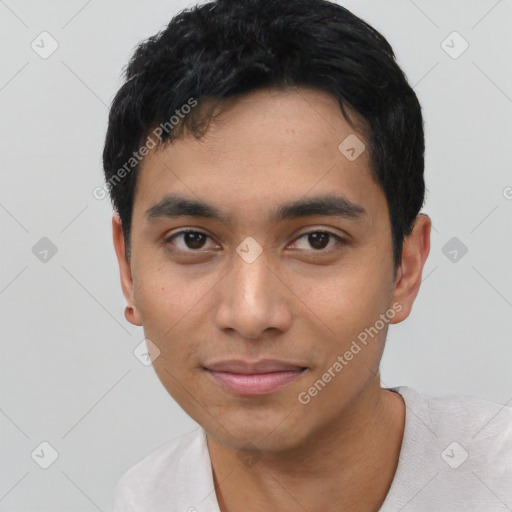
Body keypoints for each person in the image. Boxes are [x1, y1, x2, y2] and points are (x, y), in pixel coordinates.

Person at [103, 0, 512, 510]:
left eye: (318, 239)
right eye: (193, 240)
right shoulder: (143, 499)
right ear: (128, 269)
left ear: (405, 268)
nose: (251, 314)